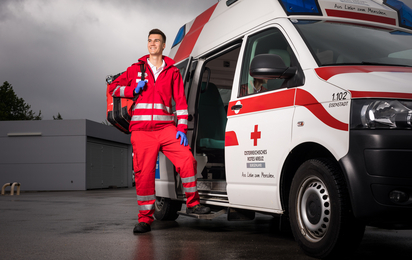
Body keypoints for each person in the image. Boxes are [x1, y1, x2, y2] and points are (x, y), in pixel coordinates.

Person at [109, 28, 211, 234]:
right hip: (142, 131)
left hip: (166, 129)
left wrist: (181, 128)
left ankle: (193, 203)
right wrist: (131, 90)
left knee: (187, 159)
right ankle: (145, 219)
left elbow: (181, 103)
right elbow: (113, 89)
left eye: (156, 41)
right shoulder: (135, 69)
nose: (152, 43)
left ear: (164, 46)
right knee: (144, 174)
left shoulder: (172, 71)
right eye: (149, 41)